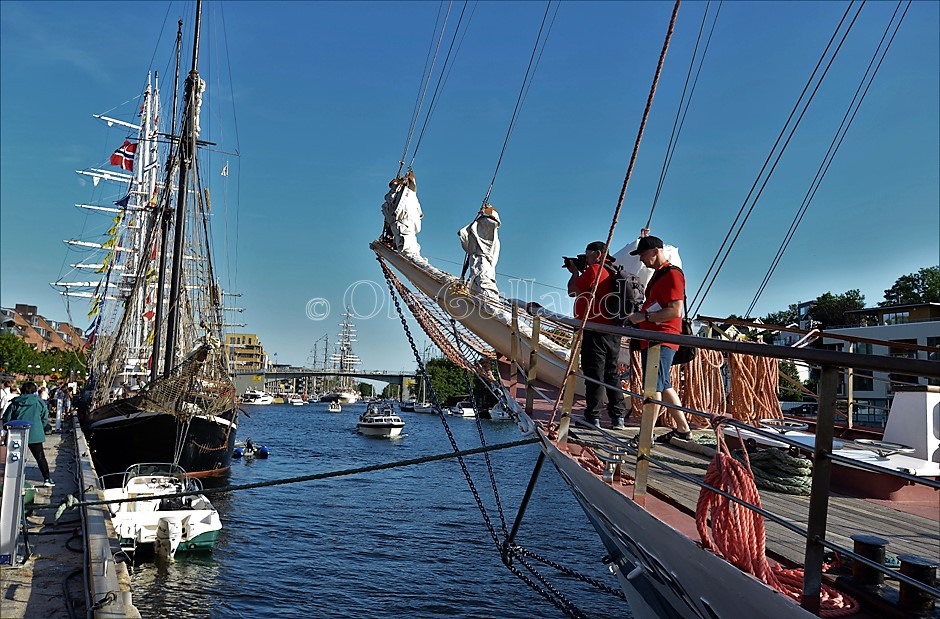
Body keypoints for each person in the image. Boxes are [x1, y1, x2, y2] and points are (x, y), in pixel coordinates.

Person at [627, 234, 693, 443]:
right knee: (663, 385)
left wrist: (644, 316)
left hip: (661, 339)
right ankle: (683, 430)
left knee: (653, 387)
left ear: (656, 251)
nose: (641, 260)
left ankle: (646, 435)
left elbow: (675, 311)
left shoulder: (672, 275)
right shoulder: (660, 275)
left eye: (643, 254)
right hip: (655, 338)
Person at [567, 241, 627, 429]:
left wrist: (575, 273)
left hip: (595, 330)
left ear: (599, 254)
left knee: (594, 374)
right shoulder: (612, 269)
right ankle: (618, 417)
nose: (587, 257)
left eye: (589, 253)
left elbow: (572, 290)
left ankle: (593, 417)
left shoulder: (595, 269)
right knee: (611, 373)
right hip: (612, 331)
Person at [2, 381, 54, 486]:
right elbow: (44, 417)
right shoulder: (39, 402)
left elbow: (6, 418)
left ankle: (12, 479)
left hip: (16, 433)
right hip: (35, 433)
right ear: (34, 390)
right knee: (40, 457)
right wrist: (40, 427)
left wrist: (8, 428)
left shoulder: (15, 402)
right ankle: (47, 479)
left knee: (15, 456)